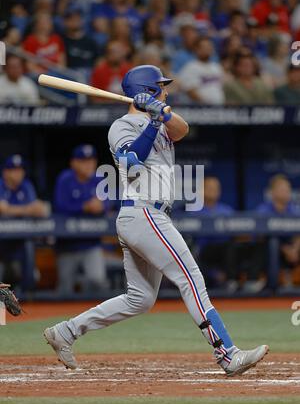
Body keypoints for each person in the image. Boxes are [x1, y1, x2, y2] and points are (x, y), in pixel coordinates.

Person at [44, 64, 269, 375]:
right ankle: (227, 354)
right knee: (191, 279)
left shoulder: (161, 122)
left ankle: (66, 331)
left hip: (149, 215)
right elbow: (131, 164)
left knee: (140, 299)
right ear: (146, 91)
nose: (166, 91)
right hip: (142, 212)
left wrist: (158, 113)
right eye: (160, 87)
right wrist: (151, 121)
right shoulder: (121, 126)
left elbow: (183, 129)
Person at [54, 144, 107, 296]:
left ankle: (90, 316)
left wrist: (101, 206)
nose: (88, 164)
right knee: (65, 289)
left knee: (97, 281)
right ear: (74, 163)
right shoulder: (65, 179)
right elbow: (60, 206)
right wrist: (85, 207)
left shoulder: (99, 179)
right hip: (67, 245)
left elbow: (108, 203)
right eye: (83, 160)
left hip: (91, 243)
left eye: (91, 160)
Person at [0, 154, 48, 286]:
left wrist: (12, 209)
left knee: (28, 247)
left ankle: (29, 295)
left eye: (20, 169)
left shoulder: (26, 186)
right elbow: (2, 209)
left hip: (19, 243)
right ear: (5, 172)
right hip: (2, 243)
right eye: (13, 170)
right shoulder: (1, 185)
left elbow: (39, 210)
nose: (18, 173)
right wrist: (27, 209)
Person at [256, 175, 300, 287]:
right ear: (272, 192)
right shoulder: (263, 210)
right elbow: (260, 236)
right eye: (282, 189)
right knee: (272, 243)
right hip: (271, 251)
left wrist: (295, 248)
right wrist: (285, 249)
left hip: (293, 251)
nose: (286, 192)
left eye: (288, 189)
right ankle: (272, 284)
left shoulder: (295, 210)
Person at [195, 177, 235, 288]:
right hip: (204, 251)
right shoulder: (194, 210)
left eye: (216, 188)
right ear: (201, 190)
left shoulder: (227, 210)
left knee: (232, 247)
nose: (213, 191)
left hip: (225, 250)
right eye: (209, 188)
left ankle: (231, 281)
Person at [178, 36, 225, 104]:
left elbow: (221, 88)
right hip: (200, 109)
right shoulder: (190, 67)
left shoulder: (217, 67)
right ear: (197, 49)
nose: (208, 49)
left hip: (220, 108)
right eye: (204, 47)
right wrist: (206, 104)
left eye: (209, 46)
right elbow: (190, 91)